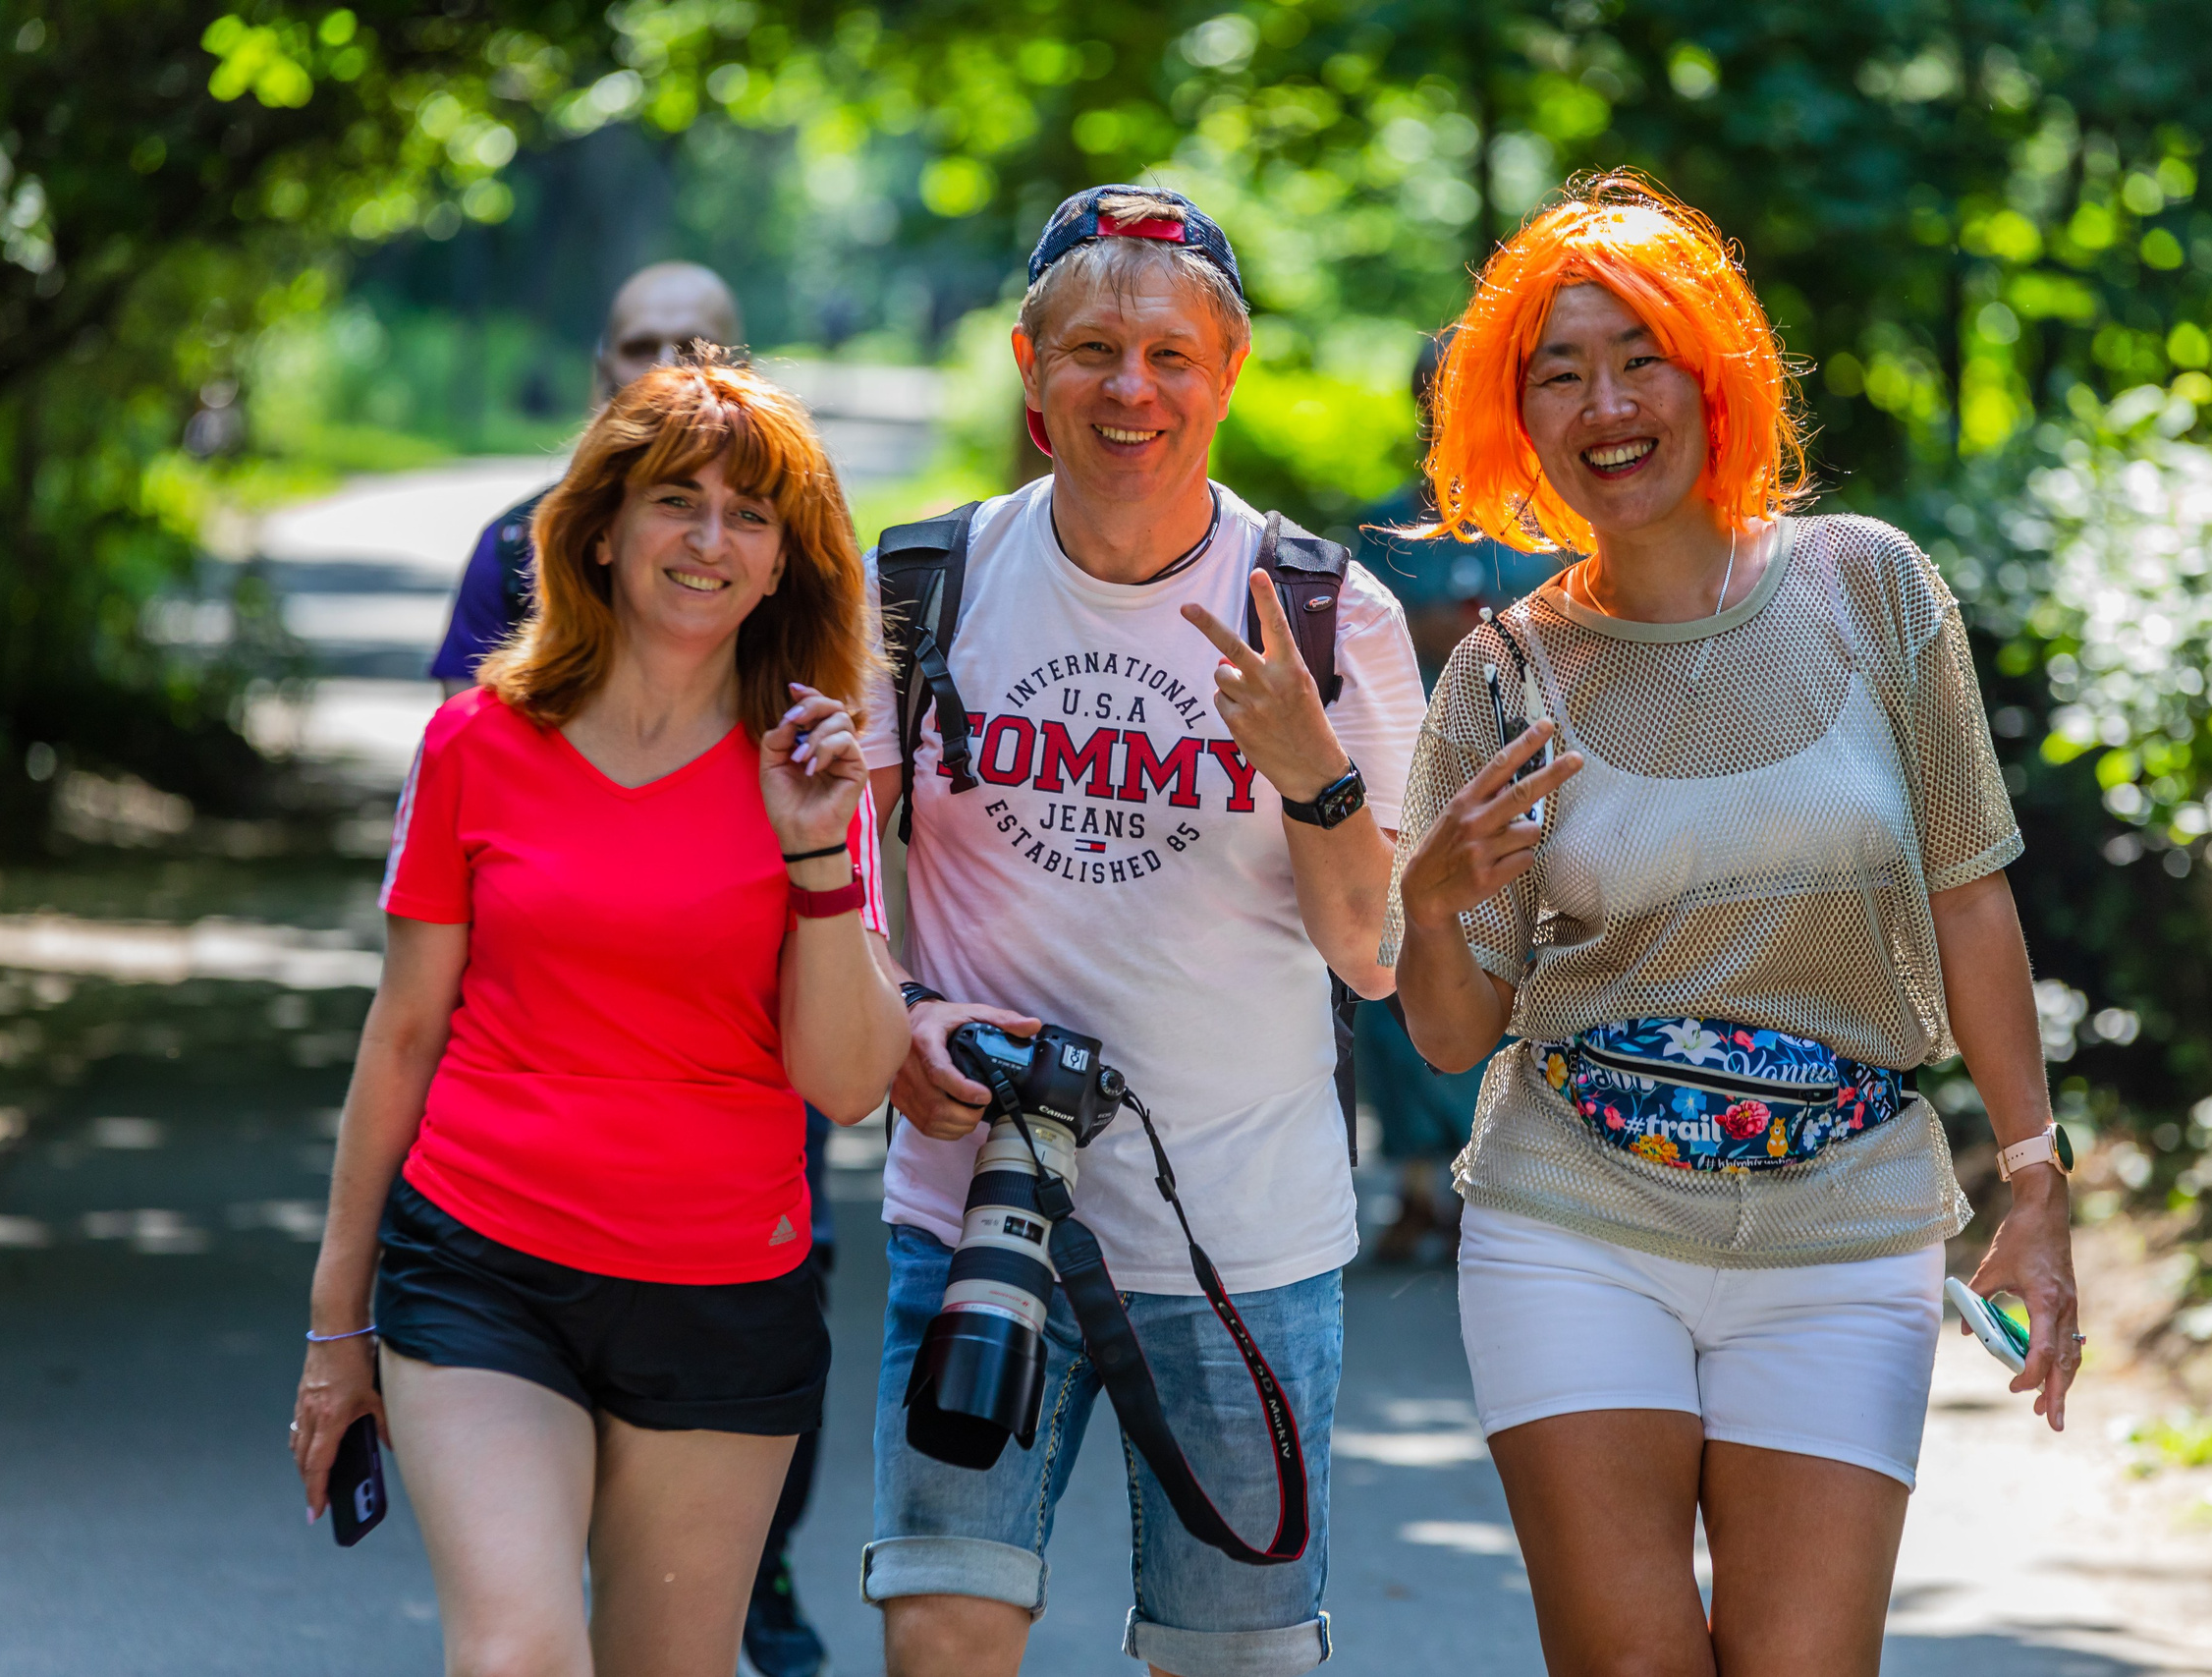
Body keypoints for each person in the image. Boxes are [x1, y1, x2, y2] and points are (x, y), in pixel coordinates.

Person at [1387, 172, 2081, 1676]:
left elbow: (1969, 891)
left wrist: (2035, 1181)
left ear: (1716, 375)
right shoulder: (1502, 676)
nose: (1604, 400)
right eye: (1556, 371)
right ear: (1519, 422)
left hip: (1847, 1219)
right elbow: (1448, 1030)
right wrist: (1431, 901)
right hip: (1577, 1218)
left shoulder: (1872, 589)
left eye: (1637, 353)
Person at [857, 187, 1427, 1677]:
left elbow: (1380, 953)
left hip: (1243, 1229)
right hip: (984, 1204)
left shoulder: (1322, 611)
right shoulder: (920, 590)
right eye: (1092, 349)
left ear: (1227, 374)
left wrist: (1316, 773)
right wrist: (899, 1005)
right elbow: (842, 882)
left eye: (1171, 354)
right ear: (1029, 374)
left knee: (1230, 1660)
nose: (1132, 388)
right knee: (942, 1633)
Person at [291, 357, 908, 1677]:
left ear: (785, 562)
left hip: (725, 1294)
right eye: (676, 500)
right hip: (482, 1265)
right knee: (518, 1650)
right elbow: (399, 1034)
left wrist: (817, 856)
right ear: (603, 526)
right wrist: (336, 1326)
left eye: (750, 515)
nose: (708, 539)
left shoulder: (811, 770)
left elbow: (850, 1083)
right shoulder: (476, 742)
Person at [1351, 330, 1566, 1263]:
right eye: (1438, 397)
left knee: (1512, 976)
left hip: (1530, 796)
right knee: (1387, 977)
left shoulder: (1558, 531)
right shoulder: (1382, 533)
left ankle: (1496, 1179)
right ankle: (1413, 1186)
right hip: (1406, 788)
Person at [432, 260, 747, 697]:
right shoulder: (513, 549)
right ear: (603, 370)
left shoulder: (793, 545)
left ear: (744, 372)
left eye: (695, 348)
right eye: (640, 348)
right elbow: (462, 748)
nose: (665, 369)